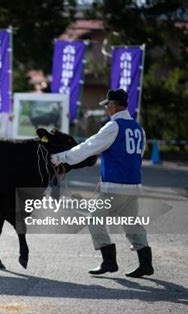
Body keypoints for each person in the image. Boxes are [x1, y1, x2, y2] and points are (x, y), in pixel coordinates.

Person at [51, 89, 154, 278]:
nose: (107, 109)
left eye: (107, 105)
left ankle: (109, 261)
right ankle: (145, 263)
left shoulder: (113, 126)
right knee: (130, 222)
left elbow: (88, 147)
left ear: (113, 106)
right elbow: (134, 157)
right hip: (133, 184)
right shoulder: (139, 129)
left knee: (94, 219)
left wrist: (60, 158)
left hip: (115, 185)